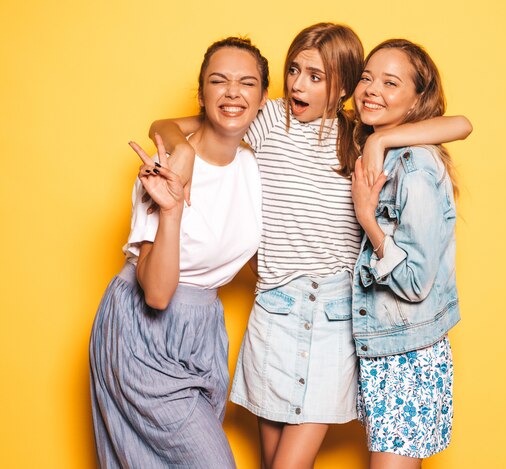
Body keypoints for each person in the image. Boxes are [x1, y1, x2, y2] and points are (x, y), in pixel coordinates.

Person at [150, 23, 471, 469]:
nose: (298, 83)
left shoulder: (357, 135)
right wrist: (178, 149)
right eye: (295, 70)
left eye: (316, 77)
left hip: (335, 314)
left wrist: (381, 138)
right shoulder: (268, 119)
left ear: (341, 87)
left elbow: (460, 124)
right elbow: (167, 126)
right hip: (274, 310)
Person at [89, 37, 269, 468]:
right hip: (141, 332)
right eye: (218, 81)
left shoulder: (252, 166)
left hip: (202, 334)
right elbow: (156, 294)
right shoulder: (165, 167)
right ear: (202, 93)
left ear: (263, 99)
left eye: (246, 83)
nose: (232, 92)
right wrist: (170, 209)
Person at [350, 39, 462, 469]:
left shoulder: (413, 167)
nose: (371, 89)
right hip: (389, 346)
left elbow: (416, 283)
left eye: (390, 83)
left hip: (409, 353)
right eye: (366, 78)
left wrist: (369, 221)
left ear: (418, 99)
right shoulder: (381, 147)